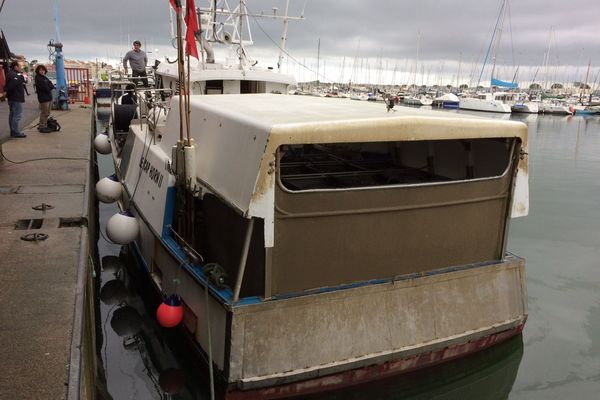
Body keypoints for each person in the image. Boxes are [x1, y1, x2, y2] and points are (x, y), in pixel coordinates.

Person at [5, 60, 26, 138]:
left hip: (12, 98)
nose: (21, 68)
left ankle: (13, 131)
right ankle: (15, 132)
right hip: (15, 98)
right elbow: (10, 87)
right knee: (16, 116)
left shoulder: (11, 74)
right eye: (20, 66)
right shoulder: (14, 75)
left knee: (12, 115)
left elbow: (22, 81)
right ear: (15, 67)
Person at [34, 65, 55, 133]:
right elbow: (45, 88)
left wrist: (49, 87)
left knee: (47, 113)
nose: (42, 71)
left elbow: (51, 85)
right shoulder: (38, 78)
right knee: (44, 113)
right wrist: (49, 87)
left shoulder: (44, 78)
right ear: (38, 71)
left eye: (43, 70)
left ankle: (44, 125)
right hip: (43, 98)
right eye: (40, 70)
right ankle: (42, 127)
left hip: (48, 97)